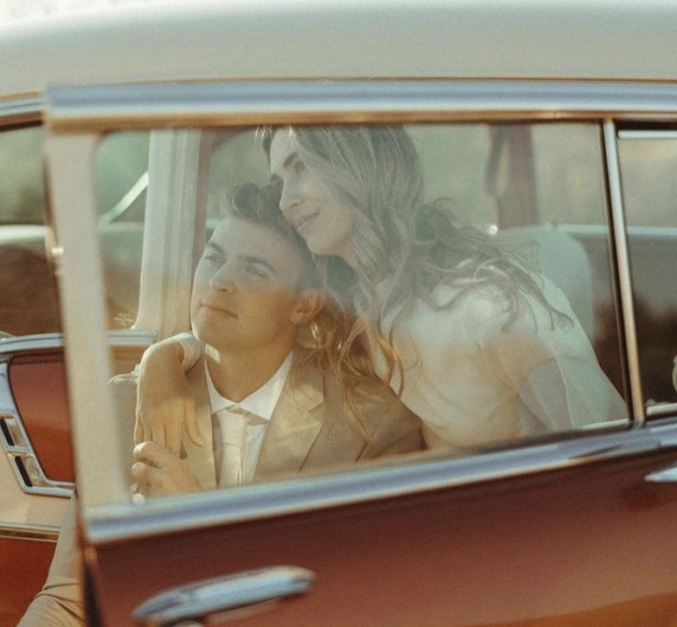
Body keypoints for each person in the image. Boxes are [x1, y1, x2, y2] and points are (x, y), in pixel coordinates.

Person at [0, 182, 421, 627]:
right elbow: (71, 600)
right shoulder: (121, 406)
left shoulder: (371, 428)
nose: (220, 281)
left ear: (304, 305)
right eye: (213, 257)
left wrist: (196, 525)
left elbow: (351, 619)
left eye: (253, 270)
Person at [140, 124, 626, 454]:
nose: (287, 200)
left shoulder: (487, 306)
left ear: (359, 163)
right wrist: (160, 364)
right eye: (279, 179)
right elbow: (253, 342)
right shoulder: (356, 303)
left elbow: (604, 453)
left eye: (302, 167)